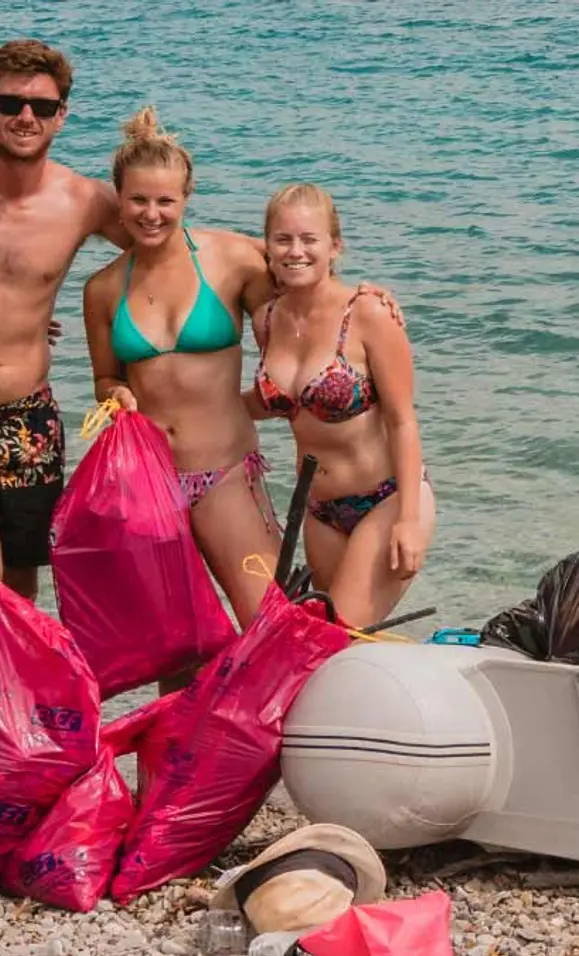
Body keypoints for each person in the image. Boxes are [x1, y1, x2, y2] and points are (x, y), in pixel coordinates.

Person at [0, 38, 130, 668]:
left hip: (32, 420)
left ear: (63, 114)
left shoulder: (84, 199)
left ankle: (9, 735)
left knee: (21, 592)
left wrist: (298, 277)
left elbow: (166, 245)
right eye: (10, 102)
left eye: (42, 105)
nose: (25, 117)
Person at [80, 106, 281, 647]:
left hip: (225, 472)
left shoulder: (234, 259)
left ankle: (281, 731)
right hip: (151, 486)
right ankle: (185, 734)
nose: (151, 213)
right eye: (138, 200)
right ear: (118, 200)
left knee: (267, 623)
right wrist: (115, 392)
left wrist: (365, 301)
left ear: (186, 198)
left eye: (166, 201)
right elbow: (104, 377)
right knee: (177, 644)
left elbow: (303, 309)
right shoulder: (102, 289)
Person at [243, 183, 435, 629]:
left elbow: (403, 419)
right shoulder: (266, 320)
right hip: (320, 512)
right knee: (325, 642)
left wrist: (408, 519)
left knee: (338, 637)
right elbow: (274, 404)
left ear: (335, 246)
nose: (296, 251)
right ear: (267, 246)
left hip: (386, 500)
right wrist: (180, 411)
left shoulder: (367, 314)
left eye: (310, 240)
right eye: (282, 240)